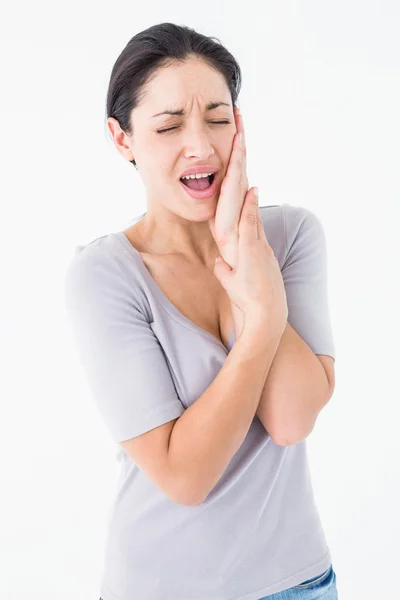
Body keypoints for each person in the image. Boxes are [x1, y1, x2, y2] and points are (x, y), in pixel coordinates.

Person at [64, 22, 338, 600]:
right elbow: (185, 476)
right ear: (122, 139)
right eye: (168, 125)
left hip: (300, 584)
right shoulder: (106, 275)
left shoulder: (289, 237)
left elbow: (291, 420)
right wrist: (262, 318)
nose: (202, 145)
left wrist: (244, 248)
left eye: (218, 118)